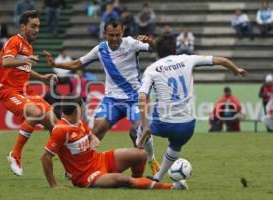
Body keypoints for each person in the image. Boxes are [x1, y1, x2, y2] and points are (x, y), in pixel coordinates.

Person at [44, 19, 160, 175]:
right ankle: (81, 164)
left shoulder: (132, 43)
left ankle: (151, 159)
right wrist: (55, 65)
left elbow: (154, 48)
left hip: (133, 99)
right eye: (110, 35)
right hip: (111, 100)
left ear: (122, 32)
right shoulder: (100, 49)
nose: (114, 39)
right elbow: (78, 63)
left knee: (139, 130)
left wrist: (150, 41)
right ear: (105, 33)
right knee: (96, 130)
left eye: (117, 35)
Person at [136, 36, 245, 183]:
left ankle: (150, 158)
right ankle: (158, 177)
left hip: (163, 123)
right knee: (176, 145)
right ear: (175, 49)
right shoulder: (187, 59)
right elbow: (223, 61)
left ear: (157, 52)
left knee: (139, 128)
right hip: (187, 126)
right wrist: (236, 70)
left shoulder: (152, 69)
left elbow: (142, 97)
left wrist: (145, 125)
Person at [41, 96, 188, 190]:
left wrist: (94, 139)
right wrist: (54, 185)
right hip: (86, 176)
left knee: (140, 155)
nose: (85, 109)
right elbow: (45, 157)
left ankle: (138, 182)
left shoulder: (78, 122)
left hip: (98, 160)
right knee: (122, 180)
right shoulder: (60, 130)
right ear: (76, 110)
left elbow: (90, 135)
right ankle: (171, 187)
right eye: (83, 107)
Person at [0, 10, 58, 176]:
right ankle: (15, 155)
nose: (36, 29)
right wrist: (24, 59)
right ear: (23, 26)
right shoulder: (14, 42)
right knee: (35, 112)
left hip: (25, 91)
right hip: (8, 91)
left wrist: (42, 77)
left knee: (56, 124)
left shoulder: (29, 46)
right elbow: (6, 61)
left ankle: (71, 166)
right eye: (33, 26)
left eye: (38, 26)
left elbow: (25, 68)